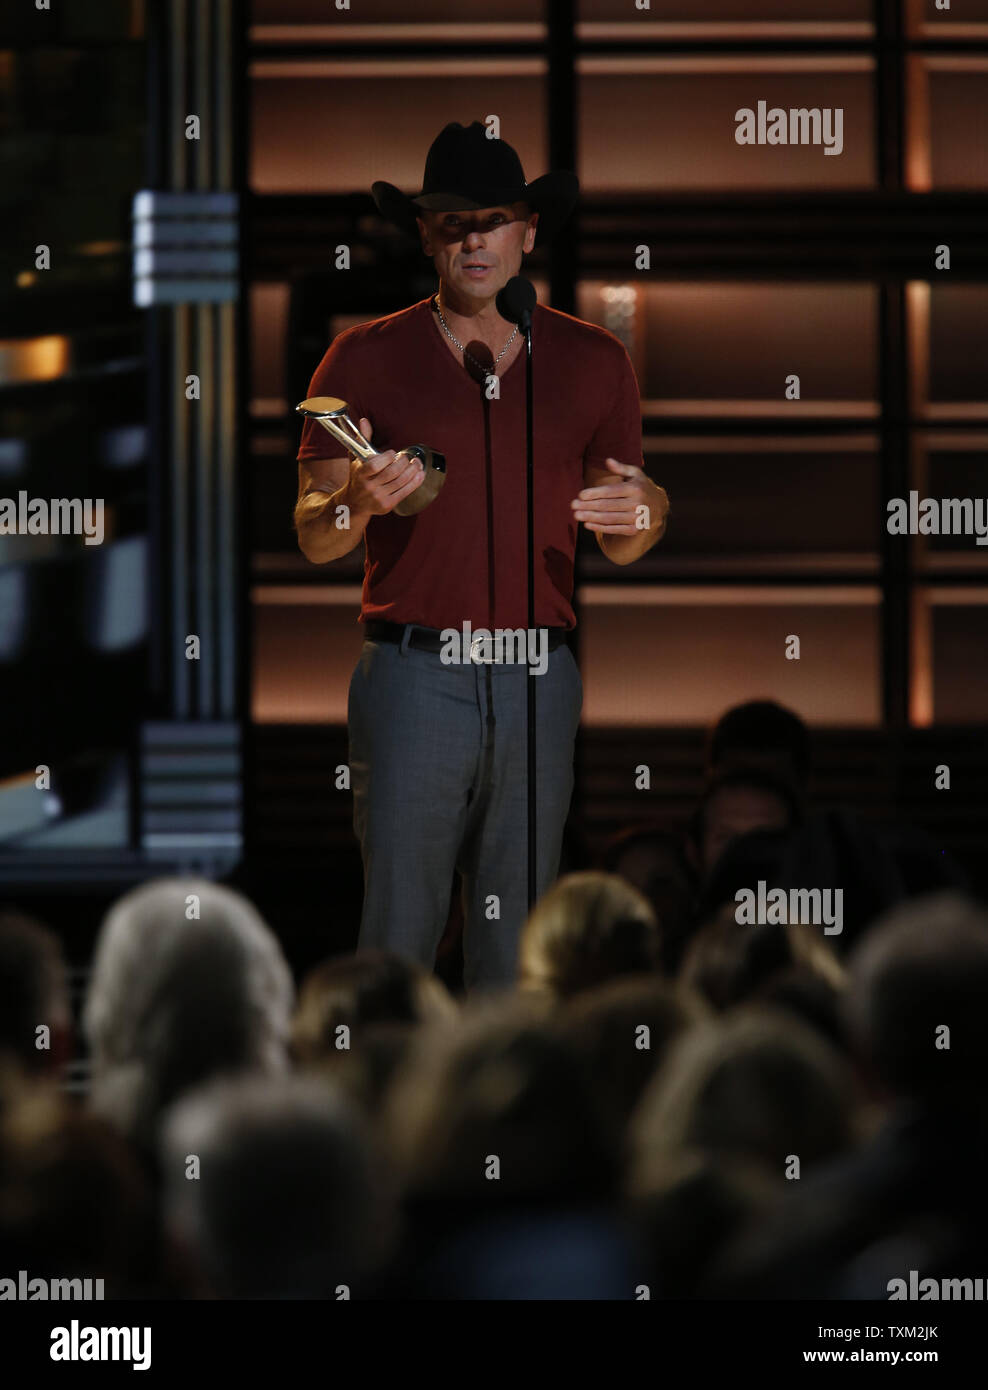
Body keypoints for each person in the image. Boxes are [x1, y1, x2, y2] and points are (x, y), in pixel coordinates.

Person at [295, 121, 670, 989]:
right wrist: (355, 499)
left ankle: (503, 1117)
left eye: (494, 220)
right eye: (454, 222)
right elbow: (315, 536)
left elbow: (626, 531)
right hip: (415, 671)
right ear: (424, 233)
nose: (475, 240)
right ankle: (390, 1107)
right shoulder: (358, 357)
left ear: (528, 233)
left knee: (518, 946)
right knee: (398, 935)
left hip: (539, 675)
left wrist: (649, 510)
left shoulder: (594, 358)